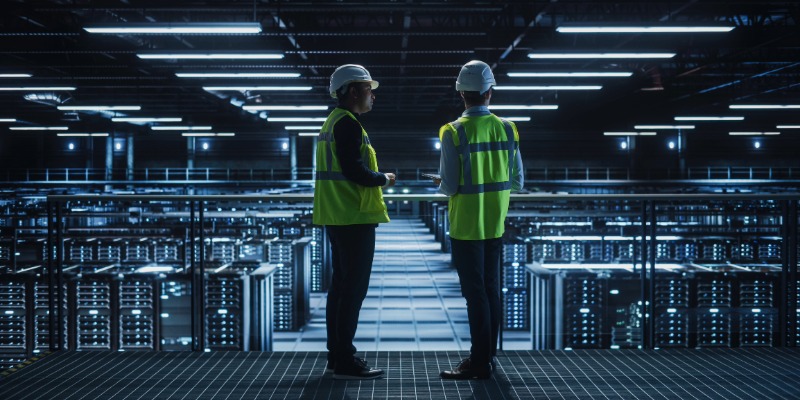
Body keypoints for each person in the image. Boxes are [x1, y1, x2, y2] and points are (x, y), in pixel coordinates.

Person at [434, 60, 524, 380]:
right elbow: (517, 182)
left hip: (466, 225)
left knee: (476, 295)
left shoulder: (452, 131)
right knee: (491, 290)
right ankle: (487, 357)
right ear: (490, 92)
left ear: (462, 94)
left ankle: (478, 362)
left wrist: (440, 183)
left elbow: (450, 185)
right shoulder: (508, 128)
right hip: (495, 222)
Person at [312, 64, 396, 380]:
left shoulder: (332, 122)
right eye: (367, 89)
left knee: (341, 289)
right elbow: (354, 170)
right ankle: (345, 359)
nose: (372, 95)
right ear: (352, 90)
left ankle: (337, 356)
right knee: (352, 291)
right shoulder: (347, 124)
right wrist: (383, 179)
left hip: (338, 215)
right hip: (353, 216)